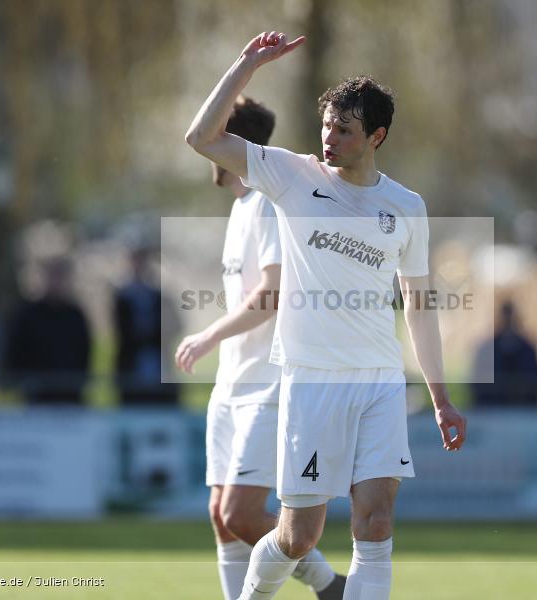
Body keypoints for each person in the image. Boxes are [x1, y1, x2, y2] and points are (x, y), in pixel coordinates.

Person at [185, 32, 466, 600]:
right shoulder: (293, 176)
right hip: (311, 382)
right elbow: (201, 137)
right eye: (326, 126)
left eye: (344, 130)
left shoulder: (407, 208)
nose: (329, 139)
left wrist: (439, 398)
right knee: (296, 535)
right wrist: (247, 64)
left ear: (377, 137)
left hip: (380, 384)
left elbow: (418, 304)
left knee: (377, 526)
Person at [176, 96, 344, 600]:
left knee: (241, 514)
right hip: (233, 382)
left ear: (232, 141)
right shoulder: (240, 207)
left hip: (267, 384)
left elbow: (270, 295)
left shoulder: (269, 202)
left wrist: (207, 335)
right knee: (220, 517)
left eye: (215, 134)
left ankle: (331, 585)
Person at [4, 257, 91, 405]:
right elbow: (16, 353)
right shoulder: (27, 314)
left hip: (69, 397)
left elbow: (84, 353)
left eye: (60, 275)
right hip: (37, 399)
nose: (56, 281)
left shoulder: (75, 315)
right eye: (52, 275)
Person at [114, 246, 180, 406]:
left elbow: (175, 325)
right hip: (131, 364)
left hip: (158, 361)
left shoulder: (160, 295)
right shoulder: (121, 295)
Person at [470, 301, 537, 408]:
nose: (508, 322)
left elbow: (535, 384)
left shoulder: (528, 350)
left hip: (523, 413)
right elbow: (478, 387)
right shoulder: (486, 351)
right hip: (492, 412)